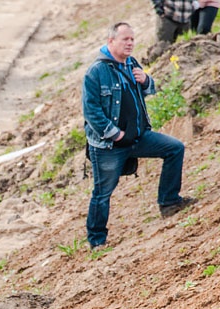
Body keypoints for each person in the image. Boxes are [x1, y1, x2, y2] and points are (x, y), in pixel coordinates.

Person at [82, 22, 195, 249]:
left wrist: (146, 80)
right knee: (103, 193)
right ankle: (96, 240)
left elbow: (147, 90)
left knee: (174, 148)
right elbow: (91, 111)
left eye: (132, 39)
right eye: (125, 39)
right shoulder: (96, 72)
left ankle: (169, 202)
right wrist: (115, 135)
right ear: (110, 41)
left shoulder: (130, 63)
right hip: (109, 145)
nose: (130, 43)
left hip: (137, 137)